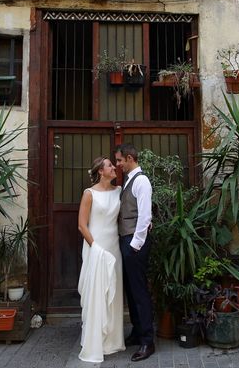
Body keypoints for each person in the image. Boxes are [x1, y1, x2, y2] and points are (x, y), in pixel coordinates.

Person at [77, 157, 125, 363]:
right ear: (100, 171)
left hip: (114, 247)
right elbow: (82, 225)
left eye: (114, 165)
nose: (114, 167)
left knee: (114, 292)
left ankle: (112, 341)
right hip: (96, 247)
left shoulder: (119, 191)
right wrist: (95, 247)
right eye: (109, 165)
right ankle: (95, 341)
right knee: (96, 293)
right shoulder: (89, 194)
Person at [114, 143, 155, 362]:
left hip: (134, 242)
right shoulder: (129, 180)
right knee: (131, 290)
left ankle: (148, 341)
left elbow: (145, 216)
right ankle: (138, 332)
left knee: (139, 292)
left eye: (120, 160)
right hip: (127, 240)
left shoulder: (141, 181)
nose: (118, 165)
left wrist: (135, 245)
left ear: (130, 158)